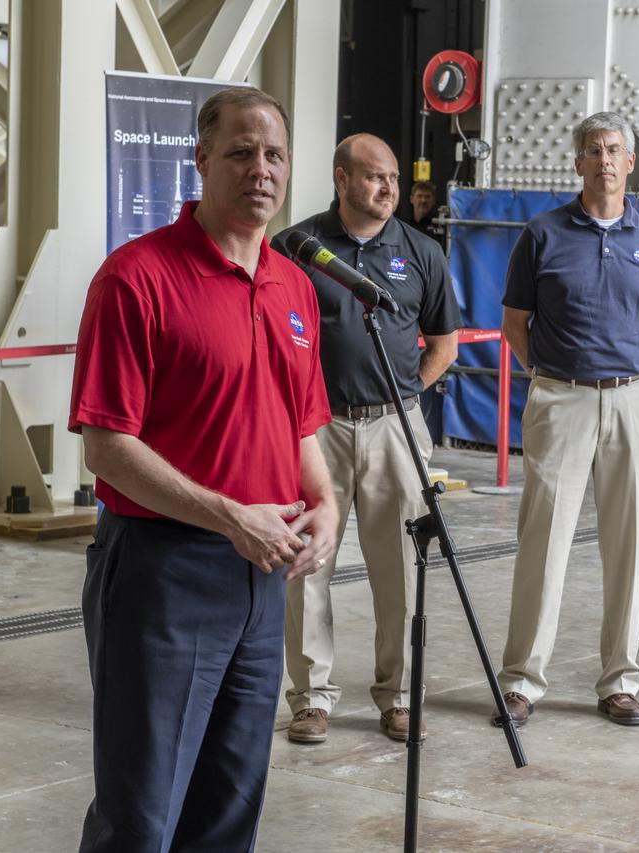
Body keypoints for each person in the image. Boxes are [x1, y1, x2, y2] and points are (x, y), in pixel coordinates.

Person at [69, 86, 338, 852]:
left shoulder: (294, 287)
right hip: (163, 573)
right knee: (142, 812)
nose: (263, 169)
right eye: (242, 152)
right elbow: (105, 444)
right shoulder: (138, 278)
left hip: (262, 577)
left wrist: (325, 503)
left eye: (276, 154)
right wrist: (229, 514)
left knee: (229, 806)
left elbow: (299, 425)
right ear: (200, 162)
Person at [493, 111, 639, 728]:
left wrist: (625, 374)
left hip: (632, 399)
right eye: (594, 150)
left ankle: (620, 681)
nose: (605, 159)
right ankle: (521, 682)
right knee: (543, 543)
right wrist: (551, 375)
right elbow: (515, 321)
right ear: (577, 163)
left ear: (631, 164)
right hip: (561, 399)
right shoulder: (542, 234)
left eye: (615, 150)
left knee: (628, 545)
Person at [274, 135, 460, 743]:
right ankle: (311, 698)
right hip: (314, 429)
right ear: (341, 178)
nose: (388, 190)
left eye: (394, 180)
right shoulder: (297, 248)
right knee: (307, 566)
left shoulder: (422, 251)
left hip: (394, 427)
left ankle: (399, 697)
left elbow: (443, 345)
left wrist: (404, 396)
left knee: (401, 570)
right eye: (375, 178)